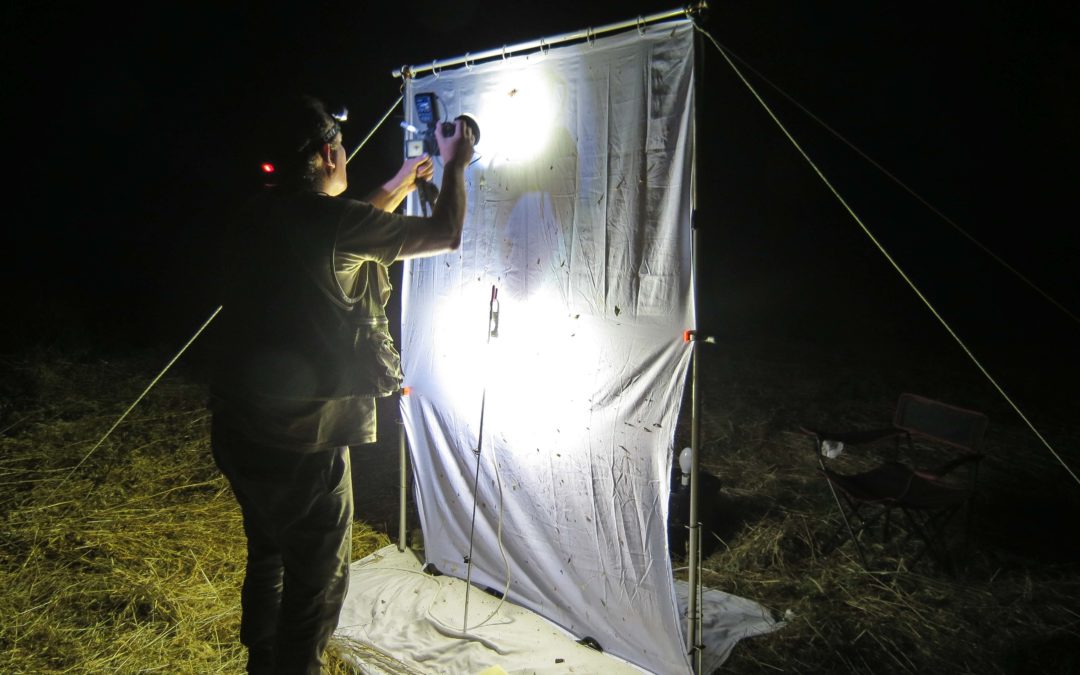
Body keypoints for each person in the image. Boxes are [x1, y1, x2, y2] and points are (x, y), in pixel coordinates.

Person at [209, 94, 474, 674]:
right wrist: (456, 162)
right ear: (331, 153)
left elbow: (342, 236)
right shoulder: (335, 225)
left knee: (270, 551)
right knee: (317, 580)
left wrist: (402, 181)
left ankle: (261, 659)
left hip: (239, 429)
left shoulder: (255, 214)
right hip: (304, 440)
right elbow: (446, 232)